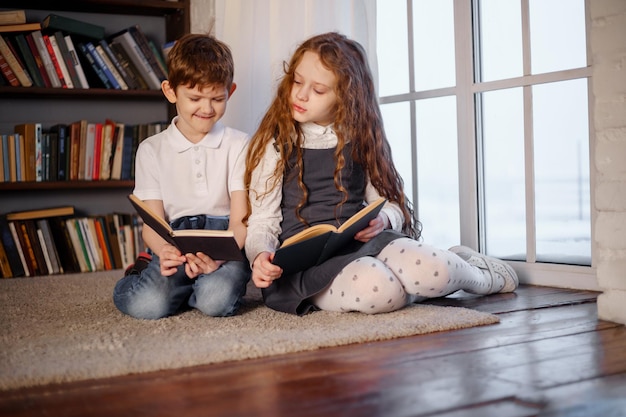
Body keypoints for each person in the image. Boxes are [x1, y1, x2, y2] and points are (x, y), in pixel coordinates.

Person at [244, 32, 518, 316]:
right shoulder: (275, 143)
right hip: (304, 267)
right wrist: (259, 256)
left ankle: (481, 275)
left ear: (345, 96)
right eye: (297, 82)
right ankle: (406, 288)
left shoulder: (359, 136)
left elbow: (391, 204)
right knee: (377, 288)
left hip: (362, 245)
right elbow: (263, 220)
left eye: (319, 89)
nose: (300, 95)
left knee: (435, 270)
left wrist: (383, 218)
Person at [113, 33, 250, 320]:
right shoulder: (151, 150)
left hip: (225, 245)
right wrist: (163, 251)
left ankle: (191, 290)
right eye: (195, 98)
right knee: (147, 306)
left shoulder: (239, 144)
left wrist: (219, 258)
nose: (207, 108)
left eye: (217, 98)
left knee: (216, 302)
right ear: (170, 91)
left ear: (231, 91)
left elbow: (240, 220)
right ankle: (140, 274)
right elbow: (151, 225)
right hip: (175, 242)